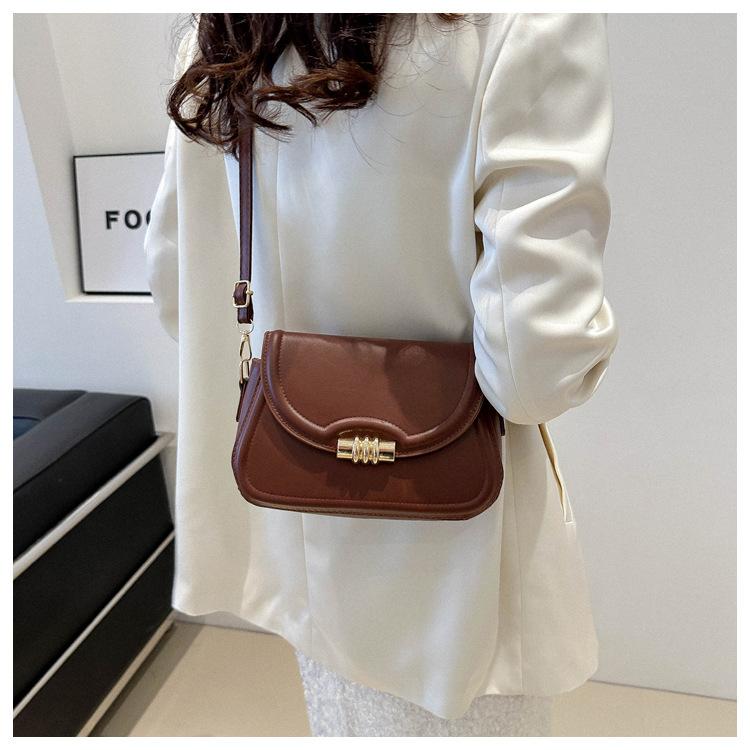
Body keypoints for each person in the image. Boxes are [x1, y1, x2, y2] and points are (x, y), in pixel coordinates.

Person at [144, 12, 618, 737]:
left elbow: (179, 290)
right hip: (457, 577)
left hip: (298, 525)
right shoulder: (525, 23)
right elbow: (534, 374)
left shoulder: (228, 36)